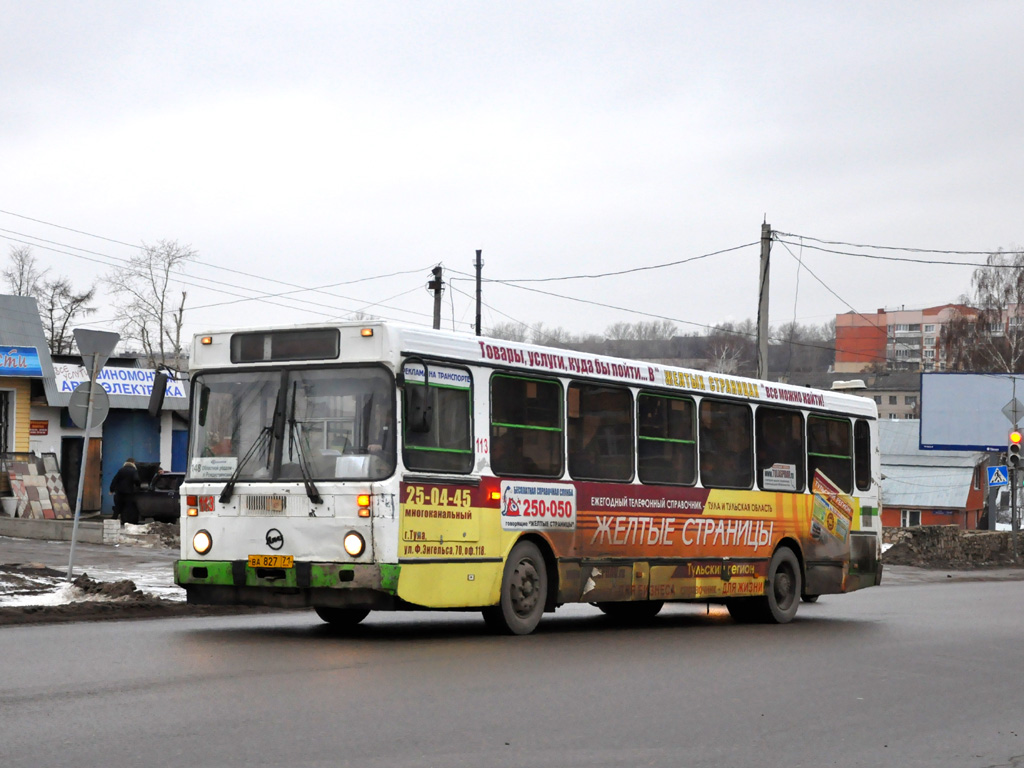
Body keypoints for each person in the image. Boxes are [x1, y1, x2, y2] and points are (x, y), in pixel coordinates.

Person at [109, 457, 141, 525]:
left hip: (119, 491)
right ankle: (125, 520)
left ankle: (114, 519)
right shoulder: (134, 470)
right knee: (127, 506)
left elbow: (115, 480)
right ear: (133, 463)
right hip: (129, 492)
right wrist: (138, 486)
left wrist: (111, 489)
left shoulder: (121, 470)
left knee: (118, 505)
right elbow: (136, 479)